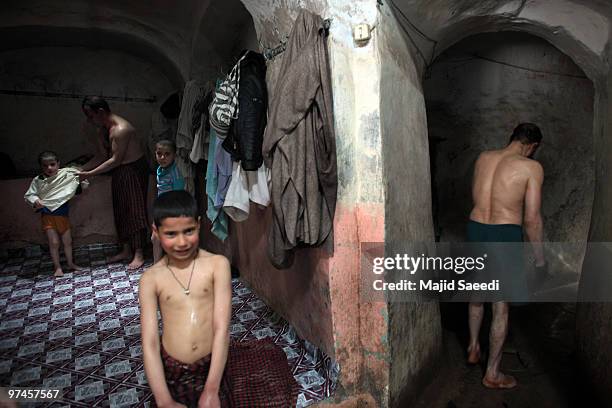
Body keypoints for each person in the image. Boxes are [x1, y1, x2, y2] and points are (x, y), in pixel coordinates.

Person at [466, 123, 546, 389]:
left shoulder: (483, 158)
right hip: (504, 233)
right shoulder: (531, 168)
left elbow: (477, 196)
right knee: (500, 305)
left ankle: (474, 346)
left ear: (512, 138)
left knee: (477, 293)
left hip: (476, 226)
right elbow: (532, 220)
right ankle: (492, 373)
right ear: (532, 146)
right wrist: (540, 258)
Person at [139, 191, 232, 407]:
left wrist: (211, 389)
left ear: (199, 225)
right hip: (171, 371)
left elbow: (222, 329)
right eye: (171, 234)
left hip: (212, 367)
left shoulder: (218, 265)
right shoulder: (150, 279)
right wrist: (163, 401)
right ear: (156, 231)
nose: (181, 242)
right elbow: (150, 343)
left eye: (188, 231)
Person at [78, 96, 150, 269]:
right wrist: (80, 170)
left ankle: (139, 253)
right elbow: (103, 156)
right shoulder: (103, 130)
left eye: (90, 115)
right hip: (119, 170)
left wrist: (89, 174)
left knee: (134, 209)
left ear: (101, 112)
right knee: (120, 209)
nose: (89, 120)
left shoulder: (121, 129)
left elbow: (115, 160)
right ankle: (126, 249)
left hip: (132, 169)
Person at [24, 151, 84, 277]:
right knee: (54, 243)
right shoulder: (39, 180)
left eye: (52, 164)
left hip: (63, 216)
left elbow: (79, 185)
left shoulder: (66, 176)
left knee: (68, 241)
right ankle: (57, 267)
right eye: (45, 166)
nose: (49, 168)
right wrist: (36, 200)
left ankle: (71, 264)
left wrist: (80, 179)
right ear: (41, 167)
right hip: (48, 216)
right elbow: (30, 194)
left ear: (58, 164)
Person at [153, 139, 185, 262]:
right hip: (162, 209)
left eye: (167, 154)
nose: (162, 157)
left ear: (174, 155)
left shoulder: (175, 173)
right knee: (155, 238)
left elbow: (178, 196)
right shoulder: (160, 170)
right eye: (159, 153)